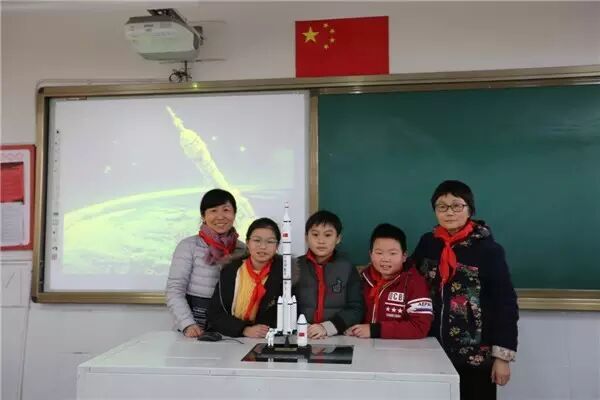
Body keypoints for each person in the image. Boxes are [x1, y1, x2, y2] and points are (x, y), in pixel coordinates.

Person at [411, 180, 519, 400]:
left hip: (475, 355)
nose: (449, 212)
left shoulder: (488, 250)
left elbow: (504, 303)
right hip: (431, 349)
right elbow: (409, 280)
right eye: (442, 206)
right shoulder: (428, 243)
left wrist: (502, 357)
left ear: (470, 209)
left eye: (457, 206)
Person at [166, 189, 246, 338]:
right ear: (203, 216)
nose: (220, 216)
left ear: (234, 214)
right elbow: (174, 290)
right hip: (194, 329)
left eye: (226, 210)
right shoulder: (188, 246)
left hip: (231, 328)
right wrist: (187, 324)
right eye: (213, 210)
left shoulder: (243, 249)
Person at [345, 223, 433, 339]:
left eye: (392, 253)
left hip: (401, 348)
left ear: (404, 256)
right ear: (370, 254)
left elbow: (420, 327)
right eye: (379, 253)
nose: (385, 259)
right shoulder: (362, 279)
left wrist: (375, 330)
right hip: (364, 345)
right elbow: (352, 311)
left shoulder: (415, 283)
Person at [208, 217, 285, 338]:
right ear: (247, 243)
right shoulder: (231, 271)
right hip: (233, 339)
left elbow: (286, 316)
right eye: (257, 240)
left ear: (277, 246)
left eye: (270, 242)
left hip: (268, 339)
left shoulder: (285, 275)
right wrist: (244, 329)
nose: (263, 246)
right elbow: (215, 314)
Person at [295, 210, 364, 339]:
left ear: (338, 238)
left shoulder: (348, 268)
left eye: (328, 235)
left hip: (337, 336)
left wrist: (328, 327)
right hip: (301, 335)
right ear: (306, 237)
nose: (321, 241)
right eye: (315, 234)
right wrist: (302, 327)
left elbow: (356, 308)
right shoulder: (295, 267)